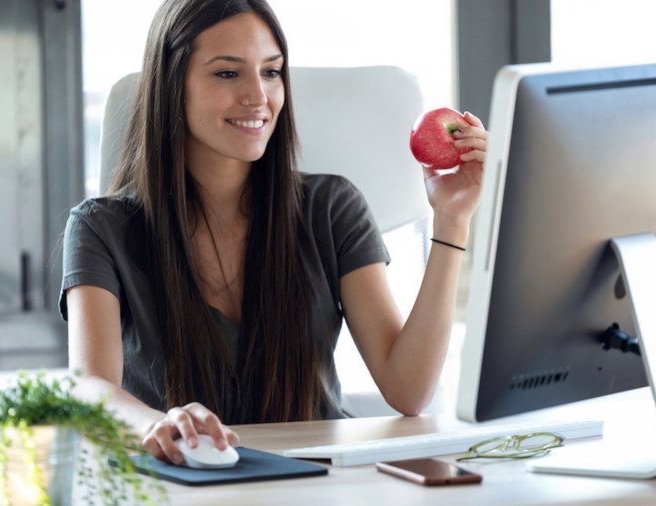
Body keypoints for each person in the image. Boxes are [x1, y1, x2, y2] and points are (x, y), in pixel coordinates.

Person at [60, 0, 488, 466]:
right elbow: (90, 387)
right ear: (171, 84)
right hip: (185, 482)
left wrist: (452, 218)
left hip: (321, 482)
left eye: (271, 72)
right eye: (227, 74)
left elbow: (409, 390)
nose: (258, 96)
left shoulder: (331, 208)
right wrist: (155, 424)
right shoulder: (101, 228)